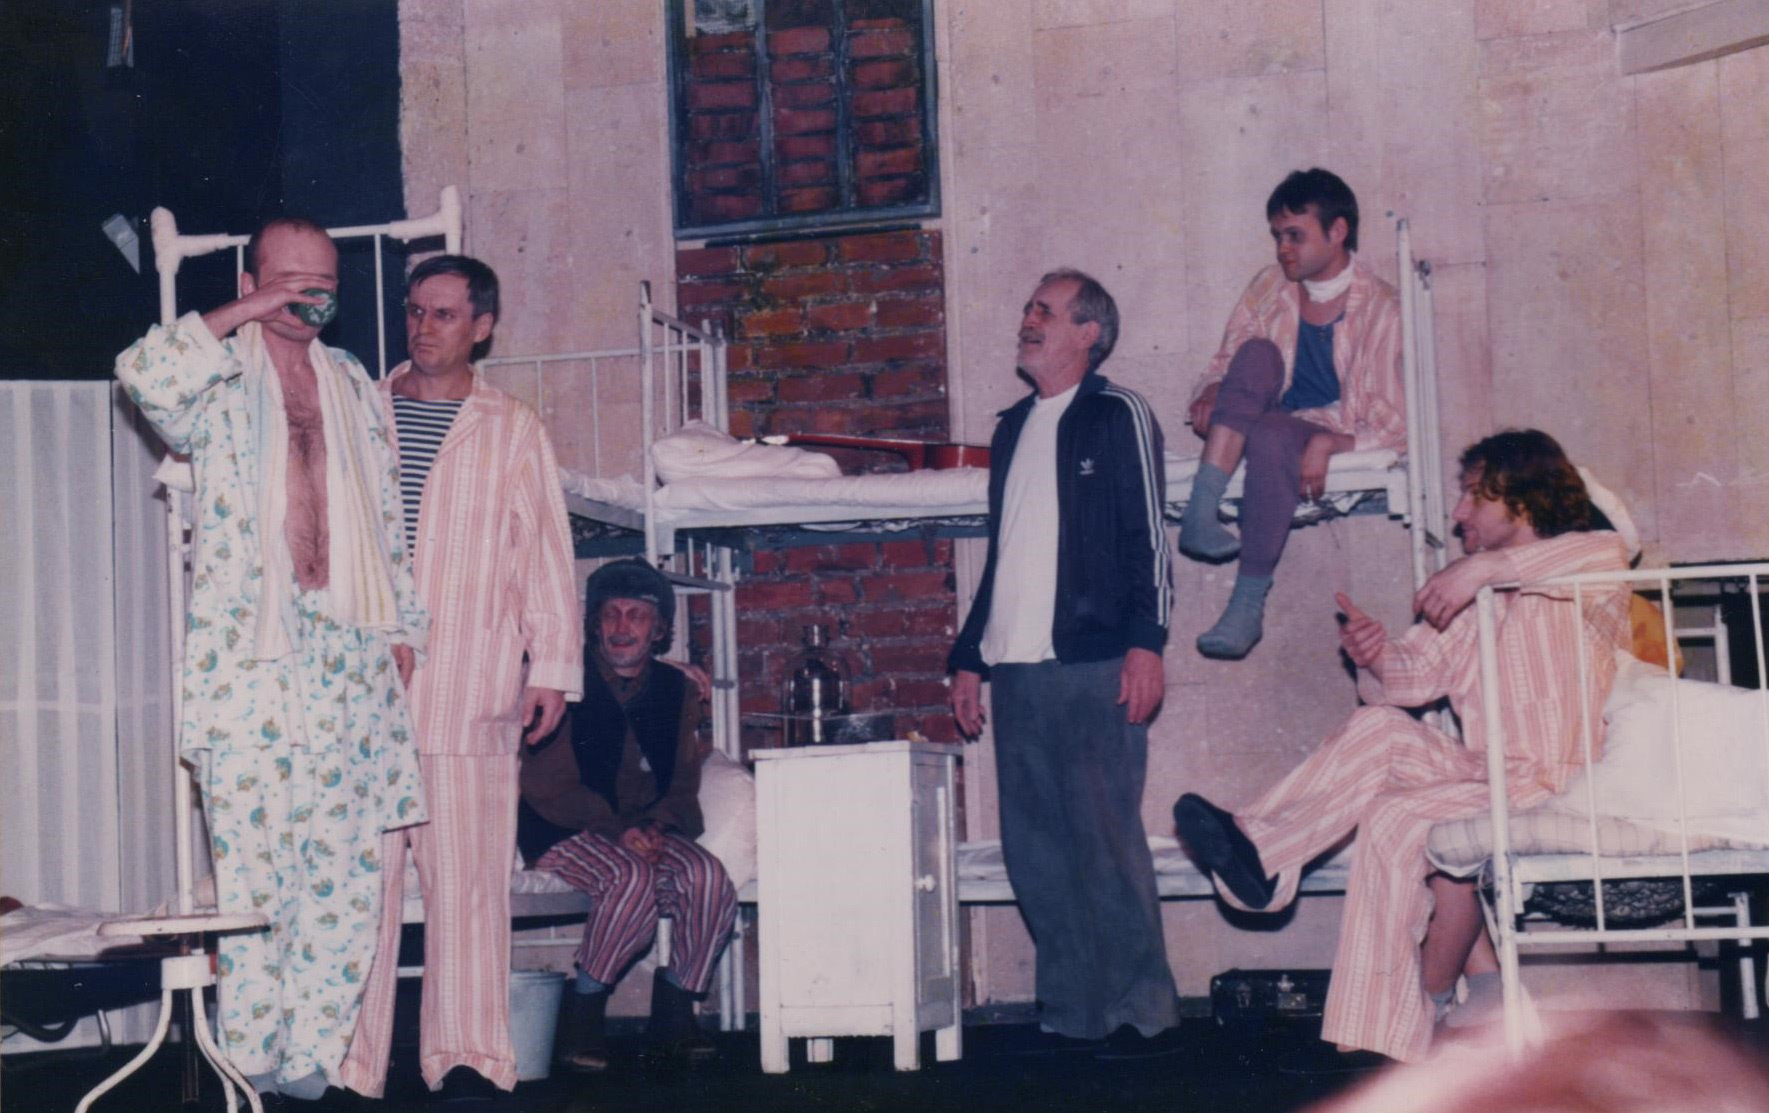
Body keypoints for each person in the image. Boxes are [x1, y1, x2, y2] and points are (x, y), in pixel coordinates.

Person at [1173, 429, 1631, 1063]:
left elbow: (1610, 549)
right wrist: (1375, 655)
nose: (1459, 512)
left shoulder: (1589, 566)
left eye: (1474, 495)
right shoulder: (1470, 595)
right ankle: (1262, 854)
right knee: (1379, 727)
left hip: (1559, 778)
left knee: (1397, 817)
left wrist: (1485, 568)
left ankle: (1394, 1039)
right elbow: (1409, 682)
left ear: (1524, 498)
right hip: (1488, 772)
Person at [114, 217, 428, 1100]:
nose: (307, 296)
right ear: (252, 281)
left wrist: (403, 628)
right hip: (250, 660)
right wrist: (242, 314)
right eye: (288, 280)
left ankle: (310, 1066)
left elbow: (386, 510)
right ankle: (249, 1062)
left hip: (349, 650)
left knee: (345, 876)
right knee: (255, 875)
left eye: (321, 282)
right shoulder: (215, 374)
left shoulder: (352, 380)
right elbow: (140, 374)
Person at [339, 256, 582, 1100]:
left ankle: (468, 1057)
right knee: (357, 890)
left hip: (469, 686)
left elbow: (545, 554)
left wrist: (551, 667)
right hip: (362, 692)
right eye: (415, 311)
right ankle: (348, 1065)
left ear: (481, 326)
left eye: (444, 314)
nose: (423, 327)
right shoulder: (358, 409)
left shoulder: (511, 427)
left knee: (470, 887)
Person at [948, 269, 1178, 1046]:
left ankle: (1142, 1013)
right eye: (1027, 307)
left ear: (1088, 333)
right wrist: (968, 656)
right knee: (1035, 853)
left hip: (1094, 662)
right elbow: (1003, 553)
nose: (1028, 318)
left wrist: (1146, 642)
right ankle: (1074, 1015)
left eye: (1044, 311)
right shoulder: (1012, 427)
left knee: (1105, 842)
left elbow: (1148, 539)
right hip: (1015, 670)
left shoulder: (1118, 414)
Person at [517, 559, 737, 1071]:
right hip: (563, 824)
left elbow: (682, 778)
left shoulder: (675, 688)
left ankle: (673, 1016)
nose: (621, 627)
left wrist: (657, 825)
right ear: (594, 624)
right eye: (610, 614)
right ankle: (582, 1020)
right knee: (630, 879)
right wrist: (622, 831)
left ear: (659, 630)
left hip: (641, 826)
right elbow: (549, 786)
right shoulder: (562, 682)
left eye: (636, 616)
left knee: (708, 878)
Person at [1180, 168, 1406, 659]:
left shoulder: (1384, 308)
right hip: (1254, 412)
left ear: (1338, 231)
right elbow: (1227, 360)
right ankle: (1201, 511)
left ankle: (1246, 605)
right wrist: (1213, 389)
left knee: (1274, 435)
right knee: (1257, 353)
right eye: (1277, 236)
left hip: (1310, 429)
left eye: (1294, 235)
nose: (1282, 248)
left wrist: (1333, 443)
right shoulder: (1269, 286)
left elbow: (1395, 426)